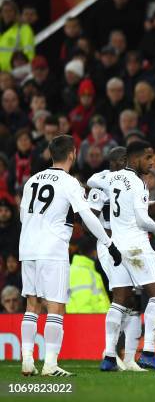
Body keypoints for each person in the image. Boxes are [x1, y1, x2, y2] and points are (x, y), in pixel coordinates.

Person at [19, 135, 121, 377]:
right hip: (52, 250)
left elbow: (24, 216)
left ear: (51, 154)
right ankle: (51, 365)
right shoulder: (69, 182)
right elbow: (86, 216)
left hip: (27, 248)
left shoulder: (31, 180)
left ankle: (26, 360)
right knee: (55, 306)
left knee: (31, 305)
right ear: (73, 154)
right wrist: (108, 242)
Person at [104, 140, 155, 372]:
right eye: (148, 158)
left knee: (120, 300)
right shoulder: (138, 183)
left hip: (117, 246)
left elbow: (94, 181)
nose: (152, 162)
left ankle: (109, 357)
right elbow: (142, 220)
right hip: (136, 246)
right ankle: (149, 353)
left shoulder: (112, 177)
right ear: (134, 159)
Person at [86, 147, 146, 372]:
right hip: (110, 246)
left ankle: (129, 359)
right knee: (121, 296)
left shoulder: (133, 182)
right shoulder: (101, 182)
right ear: (116, 161)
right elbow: (88, 219)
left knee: (134, 301)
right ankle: (109, 354)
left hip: (131, 246)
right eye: (126, 160)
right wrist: (108, 238)